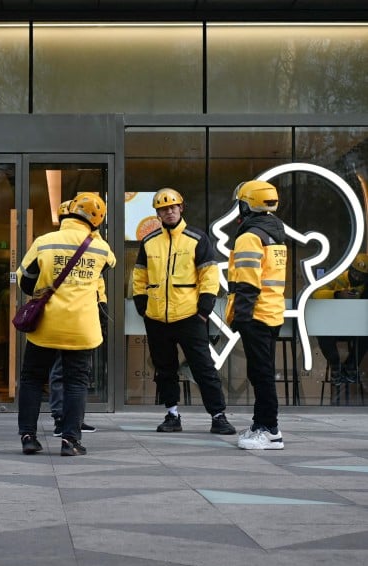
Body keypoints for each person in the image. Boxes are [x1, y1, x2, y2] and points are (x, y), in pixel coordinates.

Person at [16, 192, 115, 457]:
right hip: (82, 326)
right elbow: (107, 267)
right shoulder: (101, 247)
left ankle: (28, 436)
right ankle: (70, 440)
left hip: (46, 325)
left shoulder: (45, 242)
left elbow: (25, 281)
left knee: (32, 379)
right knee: (76, 382)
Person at [132, 187, 236, 435]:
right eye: (163, 209)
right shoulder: (149, 241)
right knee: (165, 370)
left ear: (181, 208)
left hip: (190, 316)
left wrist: (204, 308)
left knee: (203, 368)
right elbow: (139, 275)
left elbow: (209, 274)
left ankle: (218, 416)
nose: (168, 212)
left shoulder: (197, 238)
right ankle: (172, 415)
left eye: (172, 207)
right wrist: (141, 303)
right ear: (157, 213)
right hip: (157, 317)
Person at [225, 179, 287, 450]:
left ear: (247, 204)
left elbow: (248, 281)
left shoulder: (250, 236)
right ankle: (260, 422)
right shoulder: (274, 231)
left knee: (261, 374)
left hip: (256, 314)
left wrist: (241, 316)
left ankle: (270, 430)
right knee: (260, 371)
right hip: (271, 311)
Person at [48, 202, 102, 437]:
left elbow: (97, 280)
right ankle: (62, 417)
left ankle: (74, 417)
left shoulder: (93, 244)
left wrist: (102, 304)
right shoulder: (58, 245)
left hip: (87, 311)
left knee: (79, 371)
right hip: (66, 314)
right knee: (62, 369)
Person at [311, 253, 368, 384]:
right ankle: (335, 367)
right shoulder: (338, 278)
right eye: (355, 273)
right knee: (323, 334)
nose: (357, 277)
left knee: (366, 336)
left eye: (361, 276)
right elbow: (315, 293)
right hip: (334, 326)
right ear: (351, 269)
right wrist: (337, 294)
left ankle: (351, 367)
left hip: (355, 328)